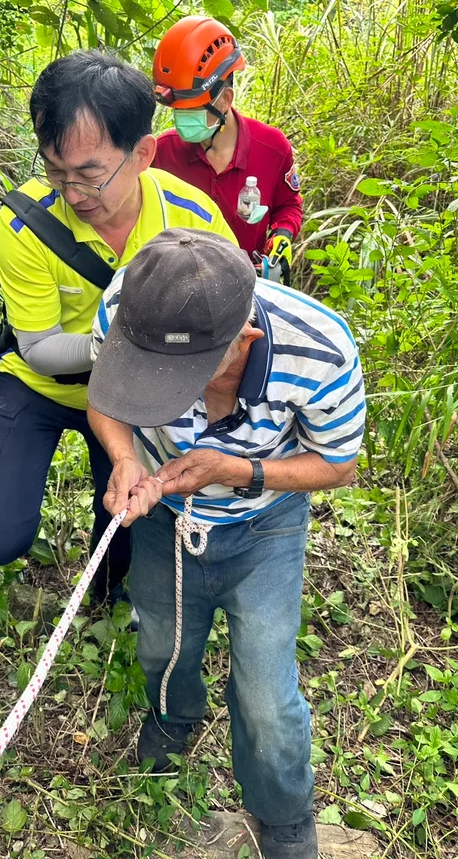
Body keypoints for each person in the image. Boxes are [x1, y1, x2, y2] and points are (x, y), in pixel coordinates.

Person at [86, 229, 366, 858]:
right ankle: (173, 717)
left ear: (245, 339)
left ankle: (283, 813)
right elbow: (105, 400)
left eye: (177, 376)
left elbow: (339, 464)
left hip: (266, 524)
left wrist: (237, 471)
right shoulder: (130, 309)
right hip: (162, 516)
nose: (161, 391)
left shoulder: (319, 348)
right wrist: (125, 459)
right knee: (161, 638)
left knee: (266, 691)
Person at [0, 52, 237, 607]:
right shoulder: (26, 222)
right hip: (40, 388)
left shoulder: (192, 218)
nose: (73, 194)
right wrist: (132, 348)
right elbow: (40, 350)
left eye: (90, 175)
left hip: (132, 396)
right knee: (5, 535)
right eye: (55, 171)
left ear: (143, 153)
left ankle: (105, 593)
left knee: (122, 511)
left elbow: (228, 319)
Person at [152, 16, 302, 281]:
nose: (181, 120)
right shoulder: (163, 153)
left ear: (225, 100)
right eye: (177, 110)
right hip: (179, 284)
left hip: (247, 282)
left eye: (192, 109)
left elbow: (288, 205)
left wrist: (282, 234)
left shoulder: (272, 149)